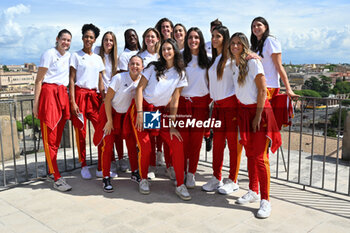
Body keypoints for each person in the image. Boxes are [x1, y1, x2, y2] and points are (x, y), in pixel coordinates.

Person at [130, 38, 191, 200]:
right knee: (146, 147)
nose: (166, 52)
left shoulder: (181, 73)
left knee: (177, 143)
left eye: (169, 49)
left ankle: (180, 184)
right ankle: (143, 179)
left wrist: (172, 124)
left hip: (162, 113)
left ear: (175, 51)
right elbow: (139, 89)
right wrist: (141, 113)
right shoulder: (152, 67)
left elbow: (175, 99)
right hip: (146, 110)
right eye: (163, 49)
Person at [229, 32, 281, 218]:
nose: (235, 46)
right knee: (250, 154)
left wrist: (258, 116)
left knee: (260, 157)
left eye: (238, 43)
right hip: (244, 113)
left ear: (244, 45)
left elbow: (262, 90)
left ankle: (265, 200)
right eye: (232, 43)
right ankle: (253, 190)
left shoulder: (253, 62)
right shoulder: (234, 65)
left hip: (258, 113)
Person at [202, 26, 242, 195]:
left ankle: (233, 179)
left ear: (225, 39)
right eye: (212, 36)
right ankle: (216, 177)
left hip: (231, 106)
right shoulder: (215, 59)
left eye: (218, 36)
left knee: (234, 145)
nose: (214, 39)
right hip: (217, 106)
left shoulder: (233, 60)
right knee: (218, 144)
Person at [93, 55, 143, 192]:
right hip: (110, 112)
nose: (135, 66)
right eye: (132, 63)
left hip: (125, 116)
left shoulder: (142, 81)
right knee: (107, 146)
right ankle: (105, 177)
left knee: (132, 144)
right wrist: (109, 121)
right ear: (128, 66)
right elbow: (107, 100)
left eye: (138, 64)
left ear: (142, 67)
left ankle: (135, 172)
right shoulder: (119, 78)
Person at [33, 29, 72, 192]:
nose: (66, 43)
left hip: (62, 94)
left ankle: (51, 171)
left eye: (69, 40)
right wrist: (36, 105)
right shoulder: (49, 53)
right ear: (57, 39)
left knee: (56, 140)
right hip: (49, 95)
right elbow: (39, 80)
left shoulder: (69, 56)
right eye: (63, 39)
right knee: (50, 138)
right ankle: (56, 178)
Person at [69, 23, 105, 179]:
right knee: (81, 132)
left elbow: (100, 80)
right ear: (82, 37)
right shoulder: (75, 55)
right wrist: (72, 101)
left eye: (91, 37)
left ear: (95, 39)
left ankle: (101, 166)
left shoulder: (97, 58)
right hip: (80, 96)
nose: (88, 39)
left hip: (94, 97)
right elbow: (71, 79)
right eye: (86, 36)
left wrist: (104, 100)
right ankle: (83, 165)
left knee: (101, 130)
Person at [180, 27, 210, 188]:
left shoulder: (208, 59)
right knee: (183, 141)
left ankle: (191, 173)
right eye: (190, 37)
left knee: (196, 142)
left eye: (196, 37)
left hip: (200, 106)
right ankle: (182, 171)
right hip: (183, 105)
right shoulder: (180, 58)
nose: (193, 40)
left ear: (201, 40)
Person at [250, 16, 298, 100]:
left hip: (269, 85)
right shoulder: (255, 45)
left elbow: (279, 66)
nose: (256, 28)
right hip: (258, 85)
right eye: (253, 26)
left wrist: (288, 89)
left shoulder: (270, 41)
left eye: (258, 25)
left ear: (266, 27)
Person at [138, 27, 164, 178]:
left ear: (158, 39)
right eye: (147, 36)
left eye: (153, 36)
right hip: (149, 102)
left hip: (162, 101)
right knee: (151, 136)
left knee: (162, 135)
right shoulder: (141, 56)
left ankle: (168, 165)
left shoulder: (162, 56)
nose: (150, 39)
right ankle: (151, 166)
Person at [94, 31, 121, 177]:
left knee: (110, 133)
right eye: (106, 40)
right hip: (102, 98)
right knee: (103, 133)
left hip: (113, 99)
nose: (108, 43)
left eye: (111, 40)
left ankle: (108, 164)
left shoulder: (115, 59)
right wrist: (104, 96)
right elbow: (100, 79)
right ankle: (101, 168)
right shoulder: (98, 55)